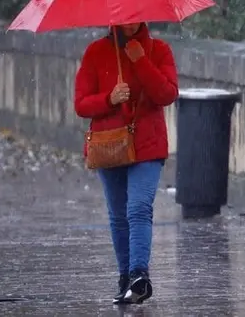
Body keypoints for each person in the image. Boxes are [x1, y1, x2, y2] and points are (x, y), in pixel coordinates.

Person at [73, 22, 179, 304]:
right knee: (119, 215)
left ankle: (138, 275)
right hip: (110, 145)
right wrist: (110, 98)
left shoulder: (158, 50)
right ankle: (125, 279)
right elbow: (81, 104)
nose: (130, 22)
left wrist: (140, 60)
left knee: (139, 208)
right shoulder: (95, 52)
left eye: (135, 16)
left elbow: (167, 94)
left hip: (148, 145)